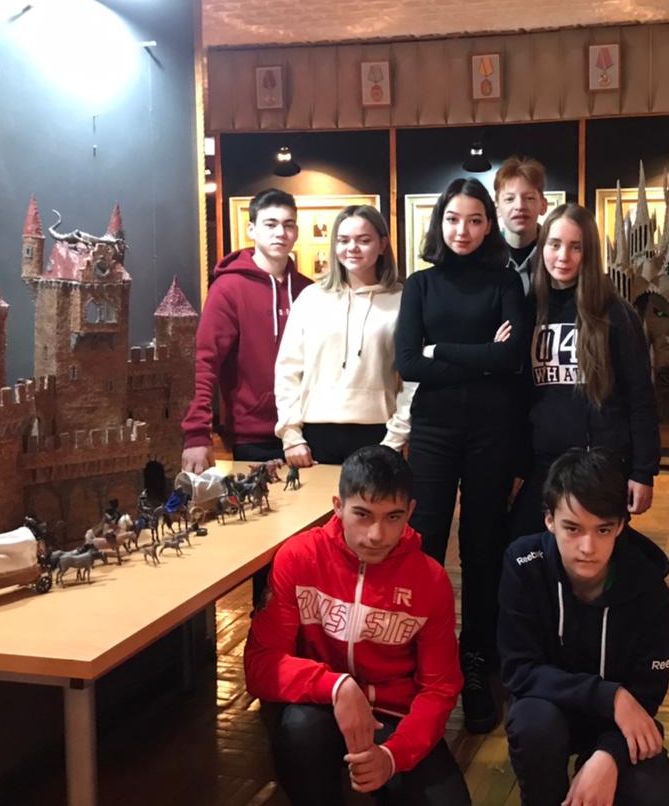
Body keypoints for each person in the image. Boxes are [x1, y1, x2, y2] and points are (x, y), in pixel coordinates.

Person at [243, 445, 470, 806]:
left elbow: (440, 688)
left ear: (410, 511)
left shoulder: (430, 580)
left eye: (393, 517)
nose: (377, 534)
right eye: (362, 514)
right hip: (319, 707)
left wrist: (394, 755)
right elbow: (261, 665)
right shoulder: (298, 557)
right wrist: (336, 686)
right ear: (338, 506)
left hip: (395, 716)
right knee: (299, 730)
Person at [394, 176, 528, 733]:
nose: (463, 230)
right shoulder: (420, 284)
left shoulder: (505, 281)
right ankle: (421, 655)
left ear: (489, 225)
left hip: (491, 431)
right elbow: (408, 362)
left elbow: (512, 358)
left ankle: (475, 661)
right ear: (439, 222)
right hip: (433, 430)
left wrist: (441, 350)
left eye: (475, 220)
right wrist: (480, 357)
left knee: (482, 547)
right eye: (453, 219)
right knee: (423, 542)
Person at [499, 447, 669, 806]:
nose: (587, 547)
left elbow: (649, 689)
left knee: (650, 790)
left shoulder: (648, 584)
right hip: (550, 706)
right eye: (572, 528)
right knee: (533, 724)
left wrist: (609, 755)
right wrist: (610, 695)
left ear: (621, 525)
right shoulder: (523, 563)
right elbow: (519, 670)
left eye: (603, 529)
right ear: (549, 519)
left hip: (619, 720)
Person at [511, 202, 660, 542]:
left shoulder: (615, 313)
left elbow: (641, 397)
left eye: (575, 247)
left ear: (589, 253)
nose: (563, 256)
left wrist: (643, 472)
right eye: (555, 244)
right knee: (525, 548)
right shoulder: (530, 308)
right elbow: (520, 396)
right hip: (543, 461)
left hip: (600, 463)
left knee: (590, 555)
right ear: (542, 247)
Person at [181, 188, 311, 472]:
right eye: (271, 224)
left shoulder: (308, 290)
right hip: (253, 435)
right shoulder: (228, 288)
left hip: (308, 432)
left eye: (288, 225)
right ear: (252, 229)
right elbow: (205, 361)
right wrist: (197, 432)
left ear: (296, 232)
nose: (280, 233)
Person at [274, 205, 415, 466]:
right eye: (343, 240)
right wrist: (291, 435)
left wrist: (395, 438)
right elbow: (287, 371)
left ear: (383, 245)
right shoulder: (311, 298)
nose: (352, 248)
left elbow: (412, 379)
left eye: (364, 240)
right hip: (313, 435)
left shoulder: (403, 299)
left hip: (379, 433)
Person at [495, 155, 550, 296]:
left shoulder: (557, 257)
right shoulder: (486, 259)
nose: (519, 206)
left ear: (543, 205)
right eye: (509, 199)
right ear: (497, 208)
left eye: (529, 198)